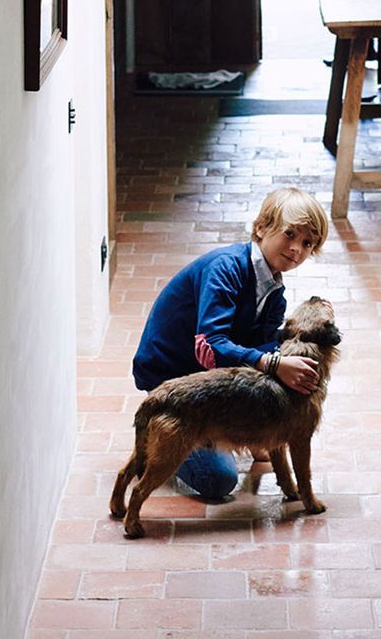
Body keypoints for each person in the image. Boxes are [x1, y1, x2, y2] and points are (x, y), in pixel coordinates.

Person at [130, 185, 329, 500]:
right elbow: (211, 344)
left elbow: (263, 345)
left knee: (269, 429)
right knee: (218, 480)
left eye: (307, 243)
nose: (297, 249)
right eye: (289, 235)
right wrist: (274, 363)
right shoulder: (225, 269)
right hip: (175, 384)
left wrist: (284, 367)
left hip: (212, 384)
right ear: (261, 227)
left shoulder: (274, 291)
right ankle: (159, 440)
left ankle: (228, 433)